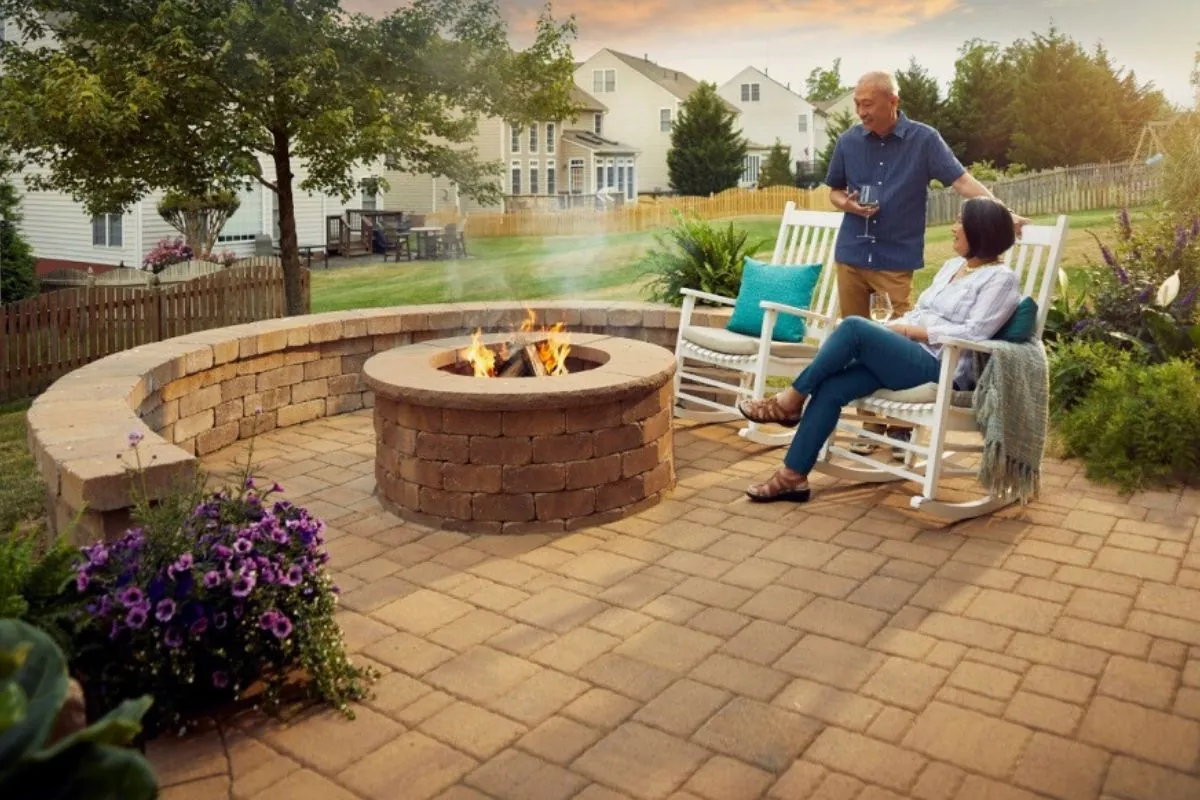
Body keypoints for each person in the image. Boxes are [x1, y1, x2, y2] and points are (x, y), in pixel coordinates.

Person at [736, 197, 1021, 503]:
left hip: (941, 366)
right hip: (908, 355)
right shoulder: (954, 267)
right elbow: (920, 311)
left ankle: (790, 401)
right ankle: (793, 477)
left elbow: (975, 333)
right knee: (832, 386)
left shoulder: (1002, 279)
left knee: (854, 327)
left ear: (979, 231)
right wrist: (894, 329)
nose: (953, 229)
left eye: (959, 223)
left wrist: (911, 331)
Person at [825, 71, 1026, 458]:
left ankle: (900, 430)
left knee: (901, 341)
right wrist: (847, 204)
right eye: (857, 104)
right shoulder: (848, 141)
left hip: (895, 258)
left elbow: (962, 181)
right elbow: (833, 191)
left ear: (892, 102)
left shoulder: (924, 140)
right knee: (856, 346)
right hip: (851, 254)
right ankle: (872, 425)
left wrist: (1003, 212)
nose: (860, 112)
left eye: (868, 104)